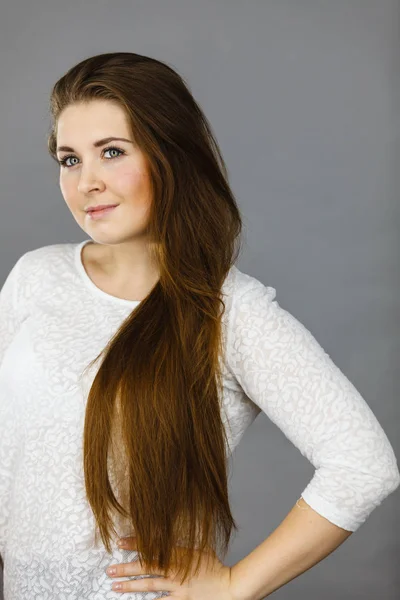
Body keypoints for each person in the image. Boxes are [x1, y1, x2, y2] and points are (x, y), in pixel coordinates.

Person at [0, 52, 399, 600]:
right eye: (69, 159)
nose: (86, 182)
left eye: (111, 153)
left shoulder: (228, 311)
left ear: (171, 158)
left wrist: (236, 586)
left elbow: (364, 464)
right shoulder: (35, 276)